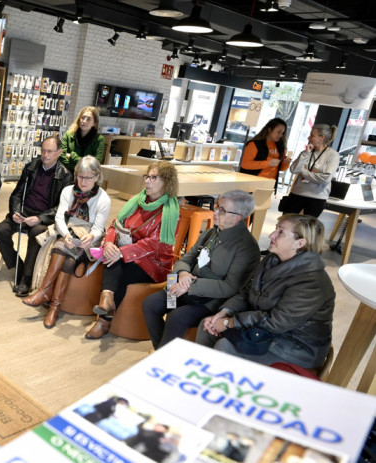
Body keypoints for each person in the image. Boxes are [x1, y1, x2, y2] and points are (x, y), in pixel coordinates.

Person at [196, 214, 335, 369]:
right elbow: (247, 291)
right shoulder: (271, 259)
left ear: (300, 243)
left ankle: (216, 385)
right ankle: (200, 376)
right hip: (266, 330)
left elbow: (277, 322)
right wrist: (225, 312)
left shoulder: (311, 282)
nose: (271, 235)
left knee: (226, 347)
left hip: (295, 346)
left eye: (280, 232)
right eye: (276, 229)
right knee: (207, 325)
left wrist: (230, 322)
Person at [142, 190, 260, 349]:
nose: (215, 212)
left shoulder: (247, 248)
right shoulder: (212, 232)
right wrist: (183, 274)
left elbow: (230, 287)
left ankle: (163, 358)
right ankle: (161, 349)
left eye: (222, 210)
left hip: (210, 299)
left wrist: (189, 286)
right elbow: (186, 258)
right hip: (184, 285)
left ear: (237, 217)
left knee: (177, 317)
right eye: (217, 206)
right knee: (151, 304)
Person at [86, 160, 180, 340]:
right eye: (147, 177)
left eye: (154, 178)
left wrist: (122, 252)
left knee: (117, 264)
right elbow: (115, 224)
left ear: (167, 182)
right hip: (127, 253)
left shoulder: (170, 210)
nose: (147, 182)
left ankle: (104, 316)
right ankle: (106, 306)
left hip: (154, 263)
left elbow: (156, 244)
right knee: (114, 259)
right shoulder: (136, 200)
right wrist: (110, 244)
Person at [22, 157, 111, 328]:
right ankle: (53, 306)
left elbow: (98, 229)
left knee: (62, 249)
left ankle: (45, 294)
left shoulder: (103, 199)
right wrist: (66, 235)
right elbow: (59, 217)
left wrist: (90, 237)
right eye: (80, 176)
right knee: (66, 254)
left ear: (97, 176)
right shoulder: (68, 191)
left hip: (88, 237)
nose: (83, 181)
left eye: (88, 177)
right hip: (68, 230)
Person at [0, 136, 74, 297]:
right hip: (24, 212)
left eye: (50, 151)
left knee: (36, 233)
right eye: (43, 150)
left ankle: (27, 278)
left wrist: (40, 218)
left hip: (45, 217)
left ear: (59, 153)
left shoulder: (65, 176)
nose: (45, 155)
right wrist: (15, 211)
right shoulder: (31, 168)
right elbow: (17, 194)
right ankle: (19, 266)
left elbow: (61, 208)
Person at [280, 124, 339, 218]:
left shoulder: (333, 155)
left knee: (307, 230)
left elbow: (325, 178)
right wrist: (305, 154)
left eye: (312, 135)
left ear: (322, 137)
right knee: (285, 223)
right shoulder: (306, 152)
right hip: (297, 194)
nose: (309, 137)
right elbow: (294, 169)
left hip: (317, 198)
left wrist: (303, 171)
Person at [240, 117, 290, 183]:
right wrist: (268, 163)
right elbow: (244, 164)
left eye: (283, 133)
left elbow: (281, 168)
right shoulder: (254, 144)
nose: (281, 135)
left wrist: (285, 163)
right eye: (278, 132)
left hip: (270, 183)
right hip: (252, 182)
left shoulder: (281, 147)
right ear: (269, 129)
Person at [60, 106, 106, 171]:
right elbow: (61, 155)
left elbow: (96, 161)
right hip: (67, 172)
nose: (84, 121)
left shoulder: (99, 139)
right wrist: (84, 163)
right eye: (83, 118)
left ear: (94, 123)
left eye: (88, 119)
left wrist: (72, 156)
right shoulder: (69, 135)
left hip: (86, 175)